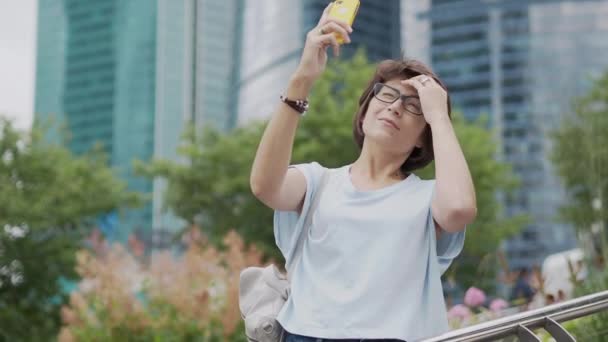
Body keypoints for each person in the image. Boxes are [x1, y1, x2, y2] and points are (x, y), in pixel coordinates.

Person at [249, 3, 477, 341]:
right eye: (387, 95)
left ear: (421, 139)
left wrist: (439, 115)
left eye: (413, 106)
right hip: (306, 335)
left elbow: (459, 209)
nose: (396, 107)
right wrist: (302, 78)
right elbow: (265, 186)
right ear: (365, 110)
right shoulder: (318, 182)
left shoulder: (428, 197)